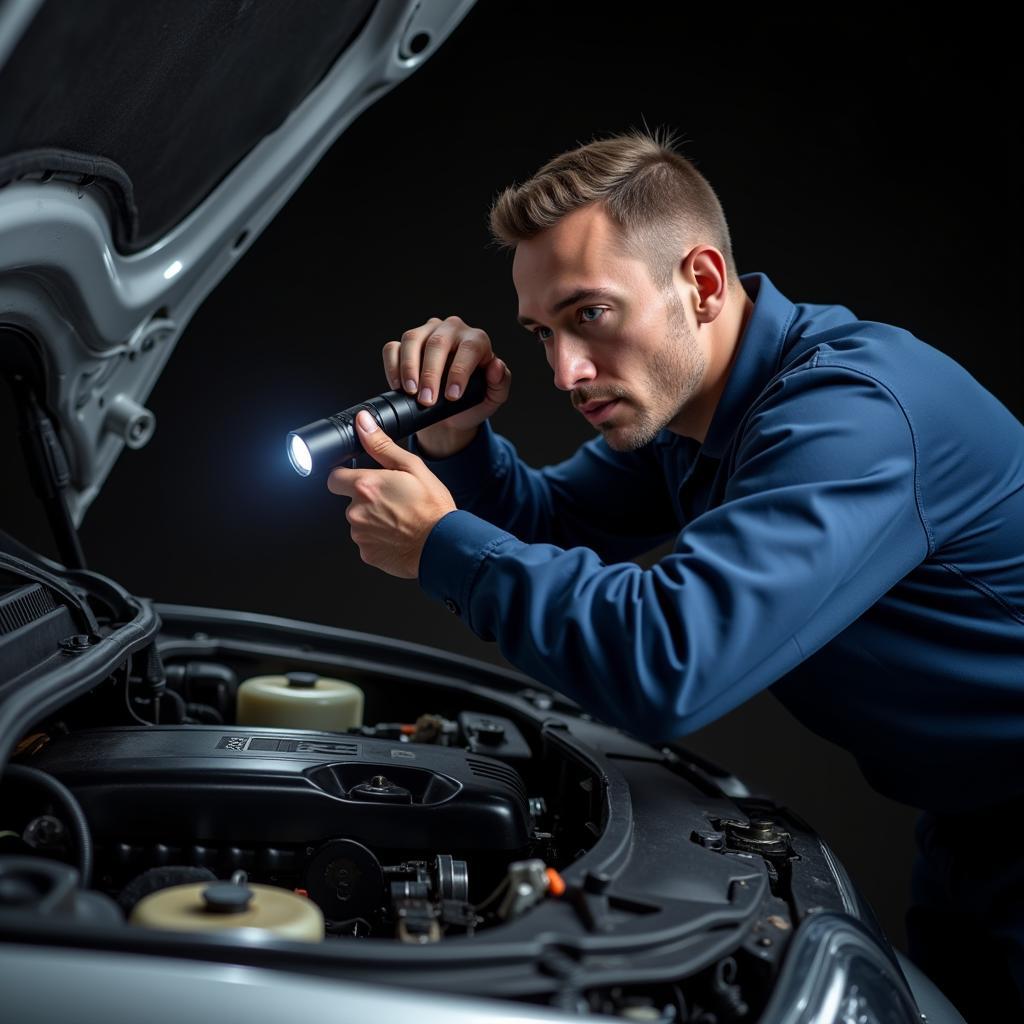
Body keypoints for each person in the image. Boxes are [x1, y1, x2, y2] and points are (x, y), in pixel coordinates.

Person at [326, 127, 1024, 1017]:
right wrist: (459, 443)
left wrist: (442, 544)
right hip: (972, 829)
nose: (565, 372)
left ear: (698, 282)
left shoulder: (853, 418)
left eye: (590, 315)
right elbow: (550, 524)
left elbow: (668, 660)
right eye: (542, 332)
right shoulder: (699, 413)